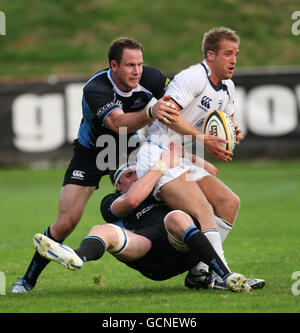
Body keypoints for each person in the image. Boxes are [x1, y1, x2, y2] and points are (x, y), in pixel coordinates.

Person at [11, 36, 180, 293]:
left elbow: (182, 101)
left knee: (168, 190)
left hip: (130, 150)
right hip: (91, 153)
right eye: (129, 65)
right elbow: (117, 123)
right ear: (114, 65)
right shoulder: (96, 87)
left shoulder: (152, 78)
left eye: (140, 64)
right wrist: (149, 113)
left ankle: (196, 264)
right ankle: (27, 281)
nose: (137, 71)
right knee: (66, 222)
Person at [135, 27, 264, 289]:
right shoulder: (193, 77)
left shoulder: (228, 88)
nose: (233, 60)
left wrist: (229, 137)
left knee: (229, 202)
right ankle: (224, 275)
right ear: (210, 55)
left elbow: (223, 124)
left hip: (180, 155)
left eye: (236, 54)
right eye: (227, 54)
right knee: (203, 208)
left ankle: (200, 272)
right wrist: (204, 139)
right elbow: (168, 114)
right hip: (158, 153)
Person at [32, 143, 251, 293]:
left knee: (176, 217)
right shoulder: (111, 200)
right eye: (129, 175)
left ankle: (220, 274)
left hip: (178, 244)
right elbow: (132, 200)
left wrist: (182, 155)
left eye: (138, 172)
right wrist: (162, 164)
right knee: (103, 229)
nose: (137, 176)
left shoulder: (161, 187)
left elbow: (211, 171)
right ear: (118, 185)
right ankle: (77, 256)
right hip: (146, 252)